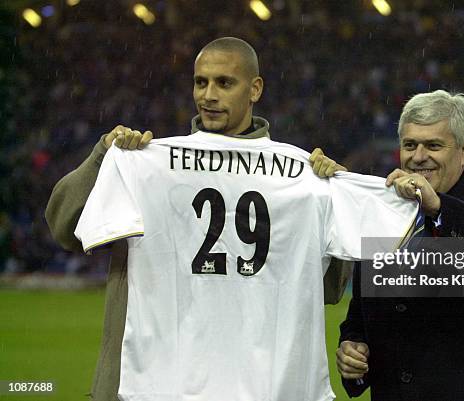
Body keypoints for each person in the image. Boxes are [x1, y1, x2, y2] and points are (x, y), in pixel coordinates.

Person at [45, 37, 353, 401]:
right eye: (200, 81)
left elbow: (330, 289)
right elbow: (63, 226)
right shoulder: (148, 163)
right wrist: (104, 158)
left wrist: (335, 202)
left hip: (254, 385)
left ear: (255, 89)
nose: (208, 94)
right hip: (148, 382)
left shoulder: (301, 179)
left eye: (224, 83)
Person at [318, 90, 464, 401]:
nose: (418, 156)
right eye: (409, 145)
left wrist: (440, 208)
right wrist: (354, 348)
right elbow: (363, 316)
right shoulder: (380, 212)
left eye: (433, 145)